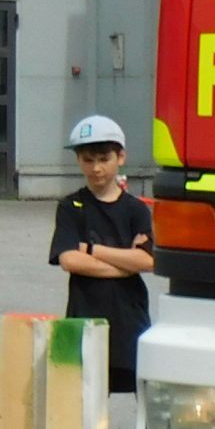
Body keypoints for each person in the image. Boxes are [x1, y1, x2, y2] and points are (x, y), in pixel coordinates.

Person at [50, 115, 153, 394]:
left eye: (104, 159)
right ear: (78, 161)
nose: (96, 168)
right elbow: (69, 259)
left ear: (120, 157)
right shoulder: (71, 206)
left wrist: (92, 249)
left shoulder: (136, 210)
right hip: (85, 315)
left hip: (129, 318)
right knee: (84, 397)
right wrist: (125, 264)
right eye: (88, 160)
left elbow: (146, 260)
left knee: (142, 390)